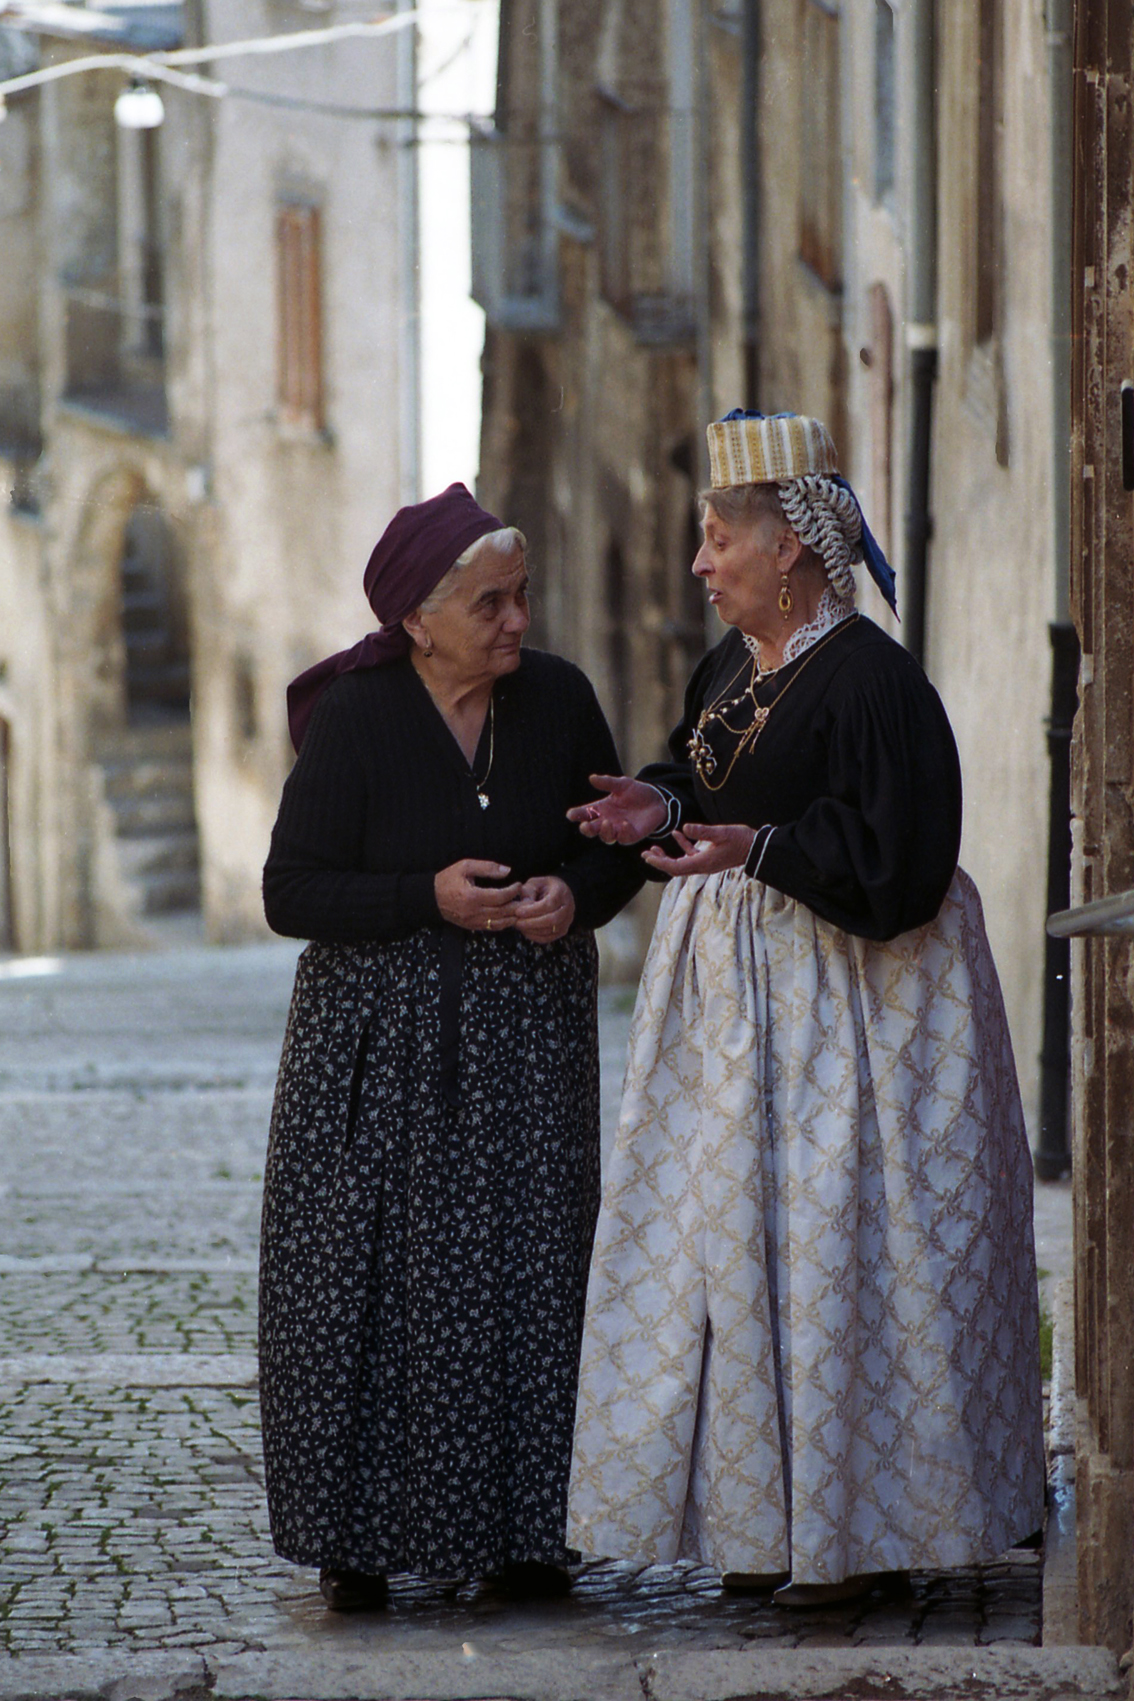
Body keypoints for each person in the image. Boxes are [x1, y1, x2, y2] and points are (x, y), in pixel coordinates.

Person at [566, 411, 1045, 1607]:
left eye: (717, 537)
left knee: (842, 1253)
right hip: (738, 1016)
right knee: (732, 1252)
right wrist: (658, 805)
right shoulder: (733, 665)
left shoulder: (873, 679)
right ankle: (765, 1521)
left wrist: (761, 849)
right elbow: (707, 772)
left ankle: (852, 1534)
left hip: (859, 1017)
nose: (700, 562)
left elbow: (902, 863)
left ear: (787, 548)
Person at [259, 482, 643, 1611]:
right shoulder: (358, 716)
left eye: (521, 596)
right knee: (366, 1281)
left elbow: (615, 846)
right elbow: (290, 891)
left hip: (529, 1047)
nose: (518, 619)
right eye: (491, 604)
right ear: (418, 622)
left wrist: (575, 896)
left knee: (532, 1275)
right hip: (375, 1048)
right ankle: (360, 1542)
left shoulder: (558, 700)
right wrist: (424, 896)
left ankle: (528, 1538)